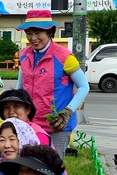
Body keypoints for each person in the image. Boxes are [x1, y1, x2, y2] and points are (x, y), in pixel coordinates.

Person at [15, 9, 90, 159]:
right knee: (29, 164)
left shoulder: (64, 57)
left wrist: (67, 112)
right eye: (29, 33)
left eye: (38, 33)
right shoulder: (24, 54)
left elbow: (84, 86)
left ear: (50, 32)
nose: (33, 38)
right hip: (30, 123)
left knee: (52, 166)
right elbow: (20, 87)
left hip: (57, 125)